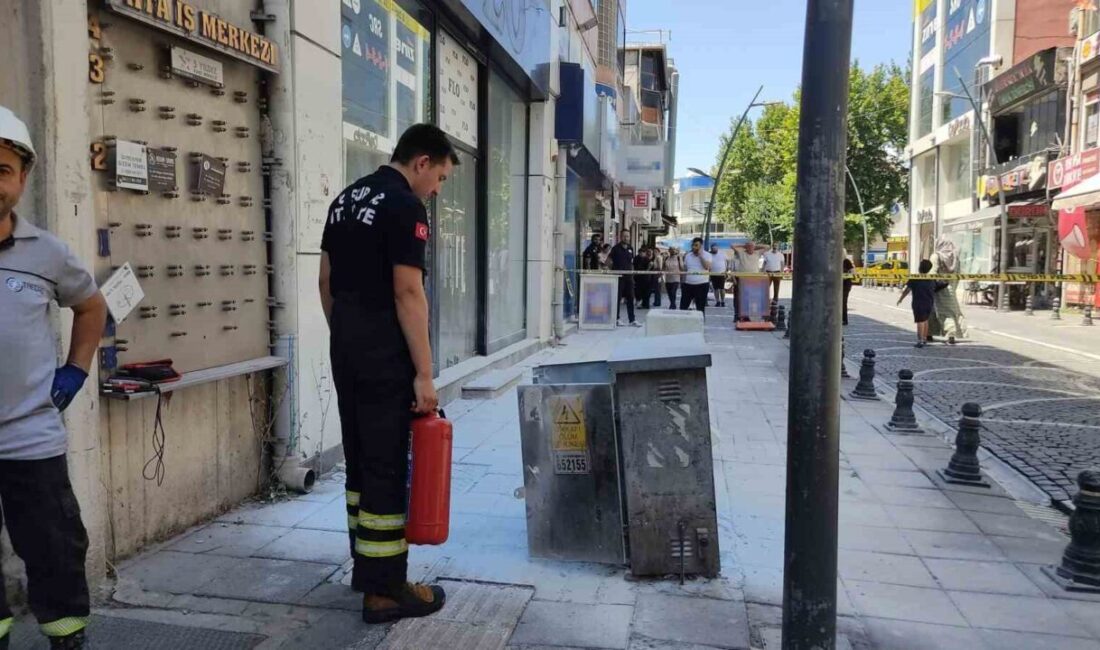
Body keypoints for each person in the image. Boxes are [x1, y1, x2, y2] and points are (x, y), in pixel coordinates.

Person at [319, 124, 455, 624]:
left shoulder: (344, 200)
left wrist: (347, 334)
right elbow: (408, 293)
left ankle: (368, 567)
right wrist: (424, 373)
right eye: (439, 177)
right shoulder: (403, 205)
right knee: (386, 467)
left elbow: (326, 281)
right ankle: (385, 590)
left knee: (359, 463)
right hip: (384, 354)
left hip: (347, 348)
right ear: (421, 162)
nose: (437, 190)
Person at [0, 106, 108, 650]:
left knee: (53, 548)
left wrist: (75, 369)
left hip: (30, 438)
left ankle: (66, 639)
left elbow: (92, 306)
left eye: (1, 170)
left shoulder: (46, 253)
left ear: (22, 179)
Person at [897, 259, 947, 348]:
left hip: (918, 303)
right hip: (929, 303)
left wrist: (901, 299)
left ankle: (920, 341)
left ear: (919, 268)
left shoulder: (915, 278)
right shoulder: (931, 279)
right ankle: (924, 339)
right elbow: (938, 287)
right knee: (925, 320)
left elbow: (907, 290)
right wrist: (946, 282)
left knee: (920, 321)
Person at [929, 237, 966, 344]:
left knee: (939, 312)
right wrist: (953, 286)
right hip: (951, 287)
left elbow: (932, 273)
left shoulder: (936, 256)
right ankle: (953, 334)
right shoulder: (955, 256)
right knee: (952, 311)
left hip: (938, 288)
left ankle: (948, 334)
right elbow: (958, 274)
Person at [609, 229, 641, 327]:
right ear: (620, 236)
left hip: (629, 278)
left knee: (631, 298)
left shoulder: (631, 248)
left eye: (627, 236)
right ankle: (616, 319)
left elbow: (631, 262)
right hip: (618, 277)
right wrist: (612, 270)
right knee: (617, 298)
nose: (626, 238)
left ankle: (632, 320)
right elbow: (608, 261)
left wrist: (632, 274)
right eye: (624, 236)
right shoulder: (615, 248)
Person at [730, 241, 761, 321]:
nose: (750, 248)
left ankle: (747, 315)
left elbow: (767, 246)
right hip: (741, 278)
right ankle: (737, 315)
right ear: (746, 247)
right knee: (738, 298)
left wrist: (754, 245)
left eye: (752, 247)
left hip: (753, 279)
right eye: (749, 247)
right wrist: (744, 245)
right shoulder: (741, 253)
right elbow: (732, 245)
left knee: (750, 298)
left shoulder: (757, 253)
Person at [680, 237, 712, 313]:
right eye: (693, 245)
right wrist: (683, 282)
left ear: (701, 246)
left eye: (696, 245)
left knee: (700, 308)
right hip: (688, 284)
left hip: (701, 284)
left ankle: (701, 324)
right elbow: (685, 269)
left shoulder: (707, 255)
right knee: (683, 306)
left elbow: (707, 267)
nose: (694, 247)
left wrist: (700, 255)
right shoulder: (688, 255)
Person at [842, 257, 854, 326]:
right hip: (836, 285)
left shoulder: (846, 261)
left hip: (845, 285)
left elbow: (853, 273)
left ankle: (844, 320)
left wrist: (843, 276)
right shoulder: (834, 261)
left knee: (843, 302)